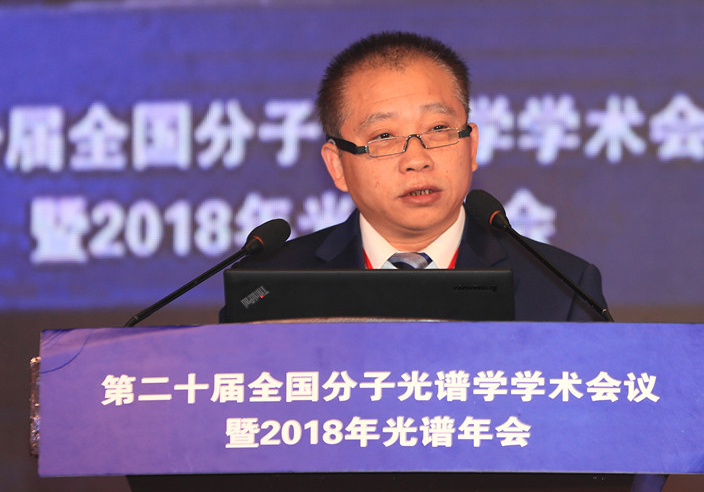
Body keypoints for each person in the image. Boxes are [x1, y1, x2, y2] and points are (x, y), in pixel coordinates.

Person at [233, 31, 608, 321]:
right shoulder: (267, 286)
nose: (417, 159)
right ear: (337, 165)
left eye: (439, 129)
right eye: (384, 136)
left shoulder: (562, 288)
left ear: (471, 146)